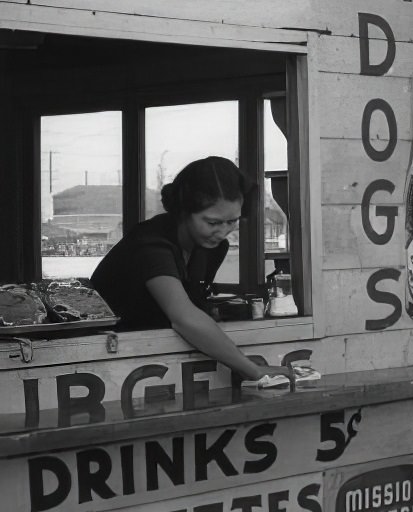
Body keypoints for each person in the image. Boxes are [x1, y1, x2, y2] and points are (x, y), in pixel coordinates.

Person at [91, 156, 292, 383]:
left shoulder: (212, 248)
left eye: (232, 221)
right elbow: (184, 317)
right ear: (184, 210)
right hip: (104, 359)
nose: (223, 231)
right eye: (213, 222)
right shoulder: (150, 245)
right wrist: (252, 370)